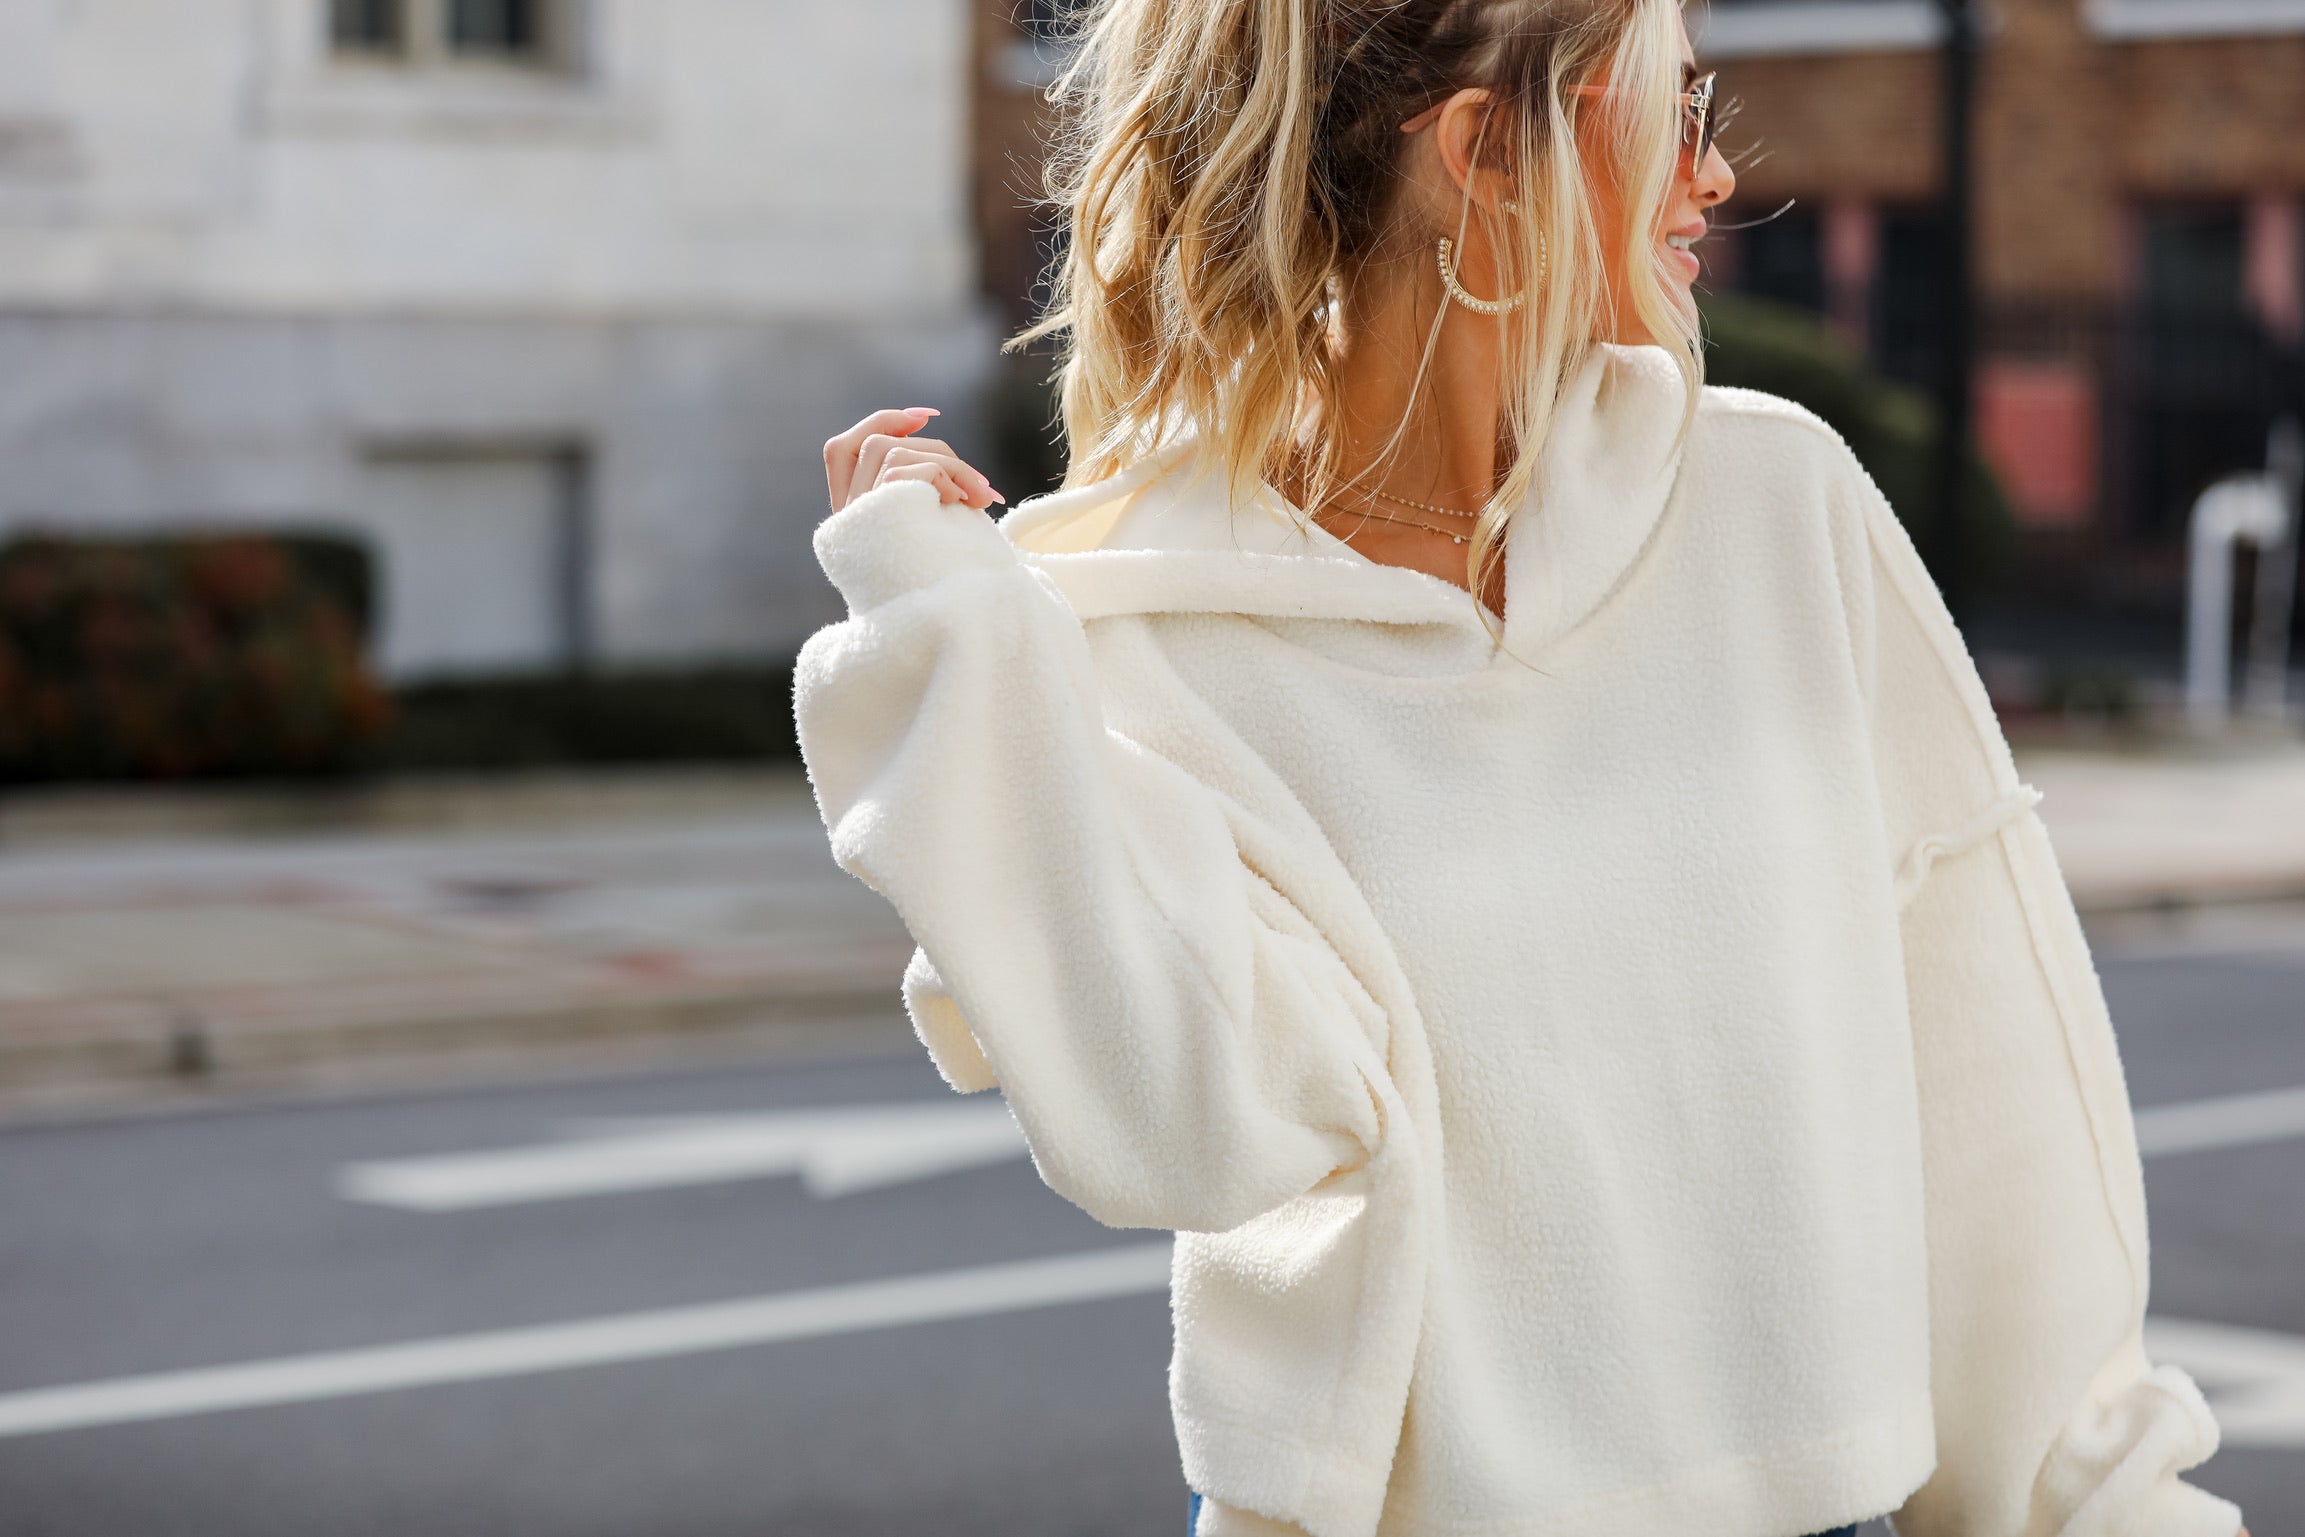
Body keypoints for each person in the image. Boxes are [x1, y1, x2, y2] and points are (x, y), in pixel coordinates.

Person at [796, 1, 2249, 1533]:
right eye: (1667, 116)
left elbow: (1990, 1097)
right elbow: (1184, 1122)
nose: (1710, 179)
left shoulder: (1773, 507)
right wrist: (948, 643)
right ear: (1487, 150)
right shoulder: (1136, 620)